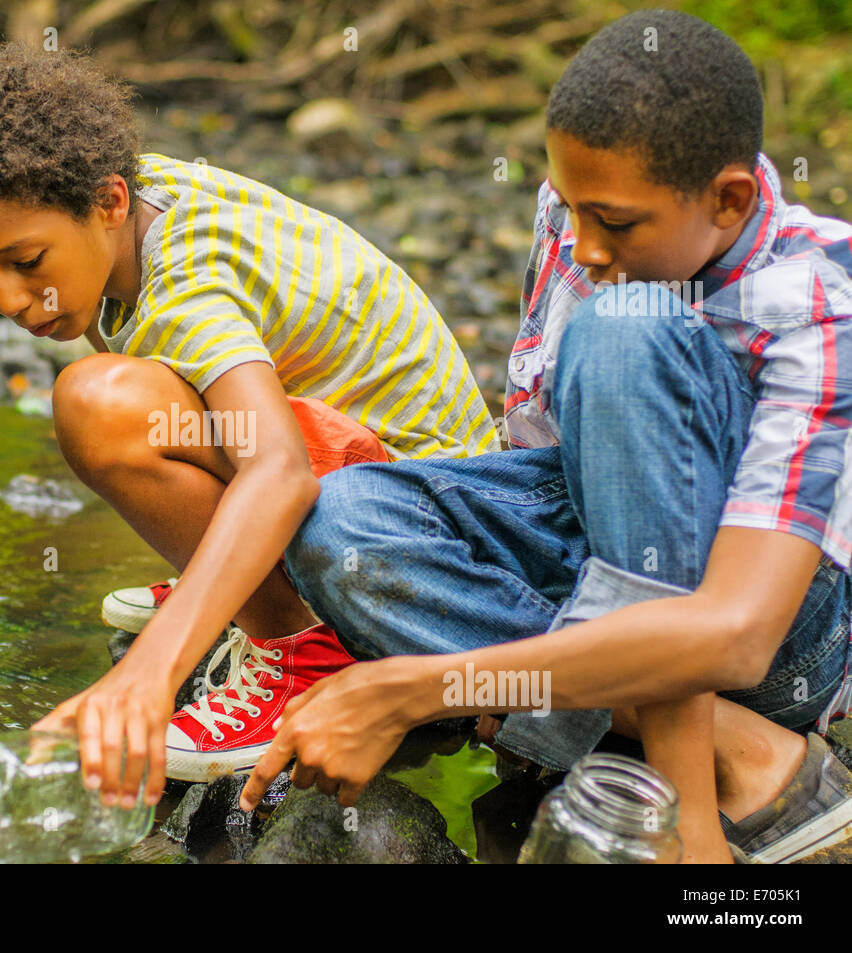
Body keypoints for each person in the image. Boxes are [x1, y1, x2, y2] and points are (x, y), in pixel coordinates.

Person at [240, 9, 852, 865]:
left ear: (730, 200)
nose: (582, 246)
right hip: (596, 562)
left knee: (628, 324)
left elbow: (741, 631)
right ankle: (724, 743)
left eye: (613, 223)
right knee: (338, 520)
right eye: (567, 208)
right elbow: (538, 463)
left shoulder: (817, 301)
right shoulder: (584, 220)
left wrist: (420, 685)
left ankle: (685, 812)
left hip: (771, 626)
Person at [0, 40, 498, 808]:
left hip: (424, 543)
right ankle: (238, 580)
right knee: (121, 361)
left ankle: (301, 649)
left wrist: (150, 672)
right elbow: (7, 231)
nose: (12, 300)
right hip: (404, 479)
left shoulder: (189, 285)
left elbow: (276, 468)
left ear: (108, 202)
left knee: (100, 404)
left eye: (27, 263)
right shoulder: (129, 195)